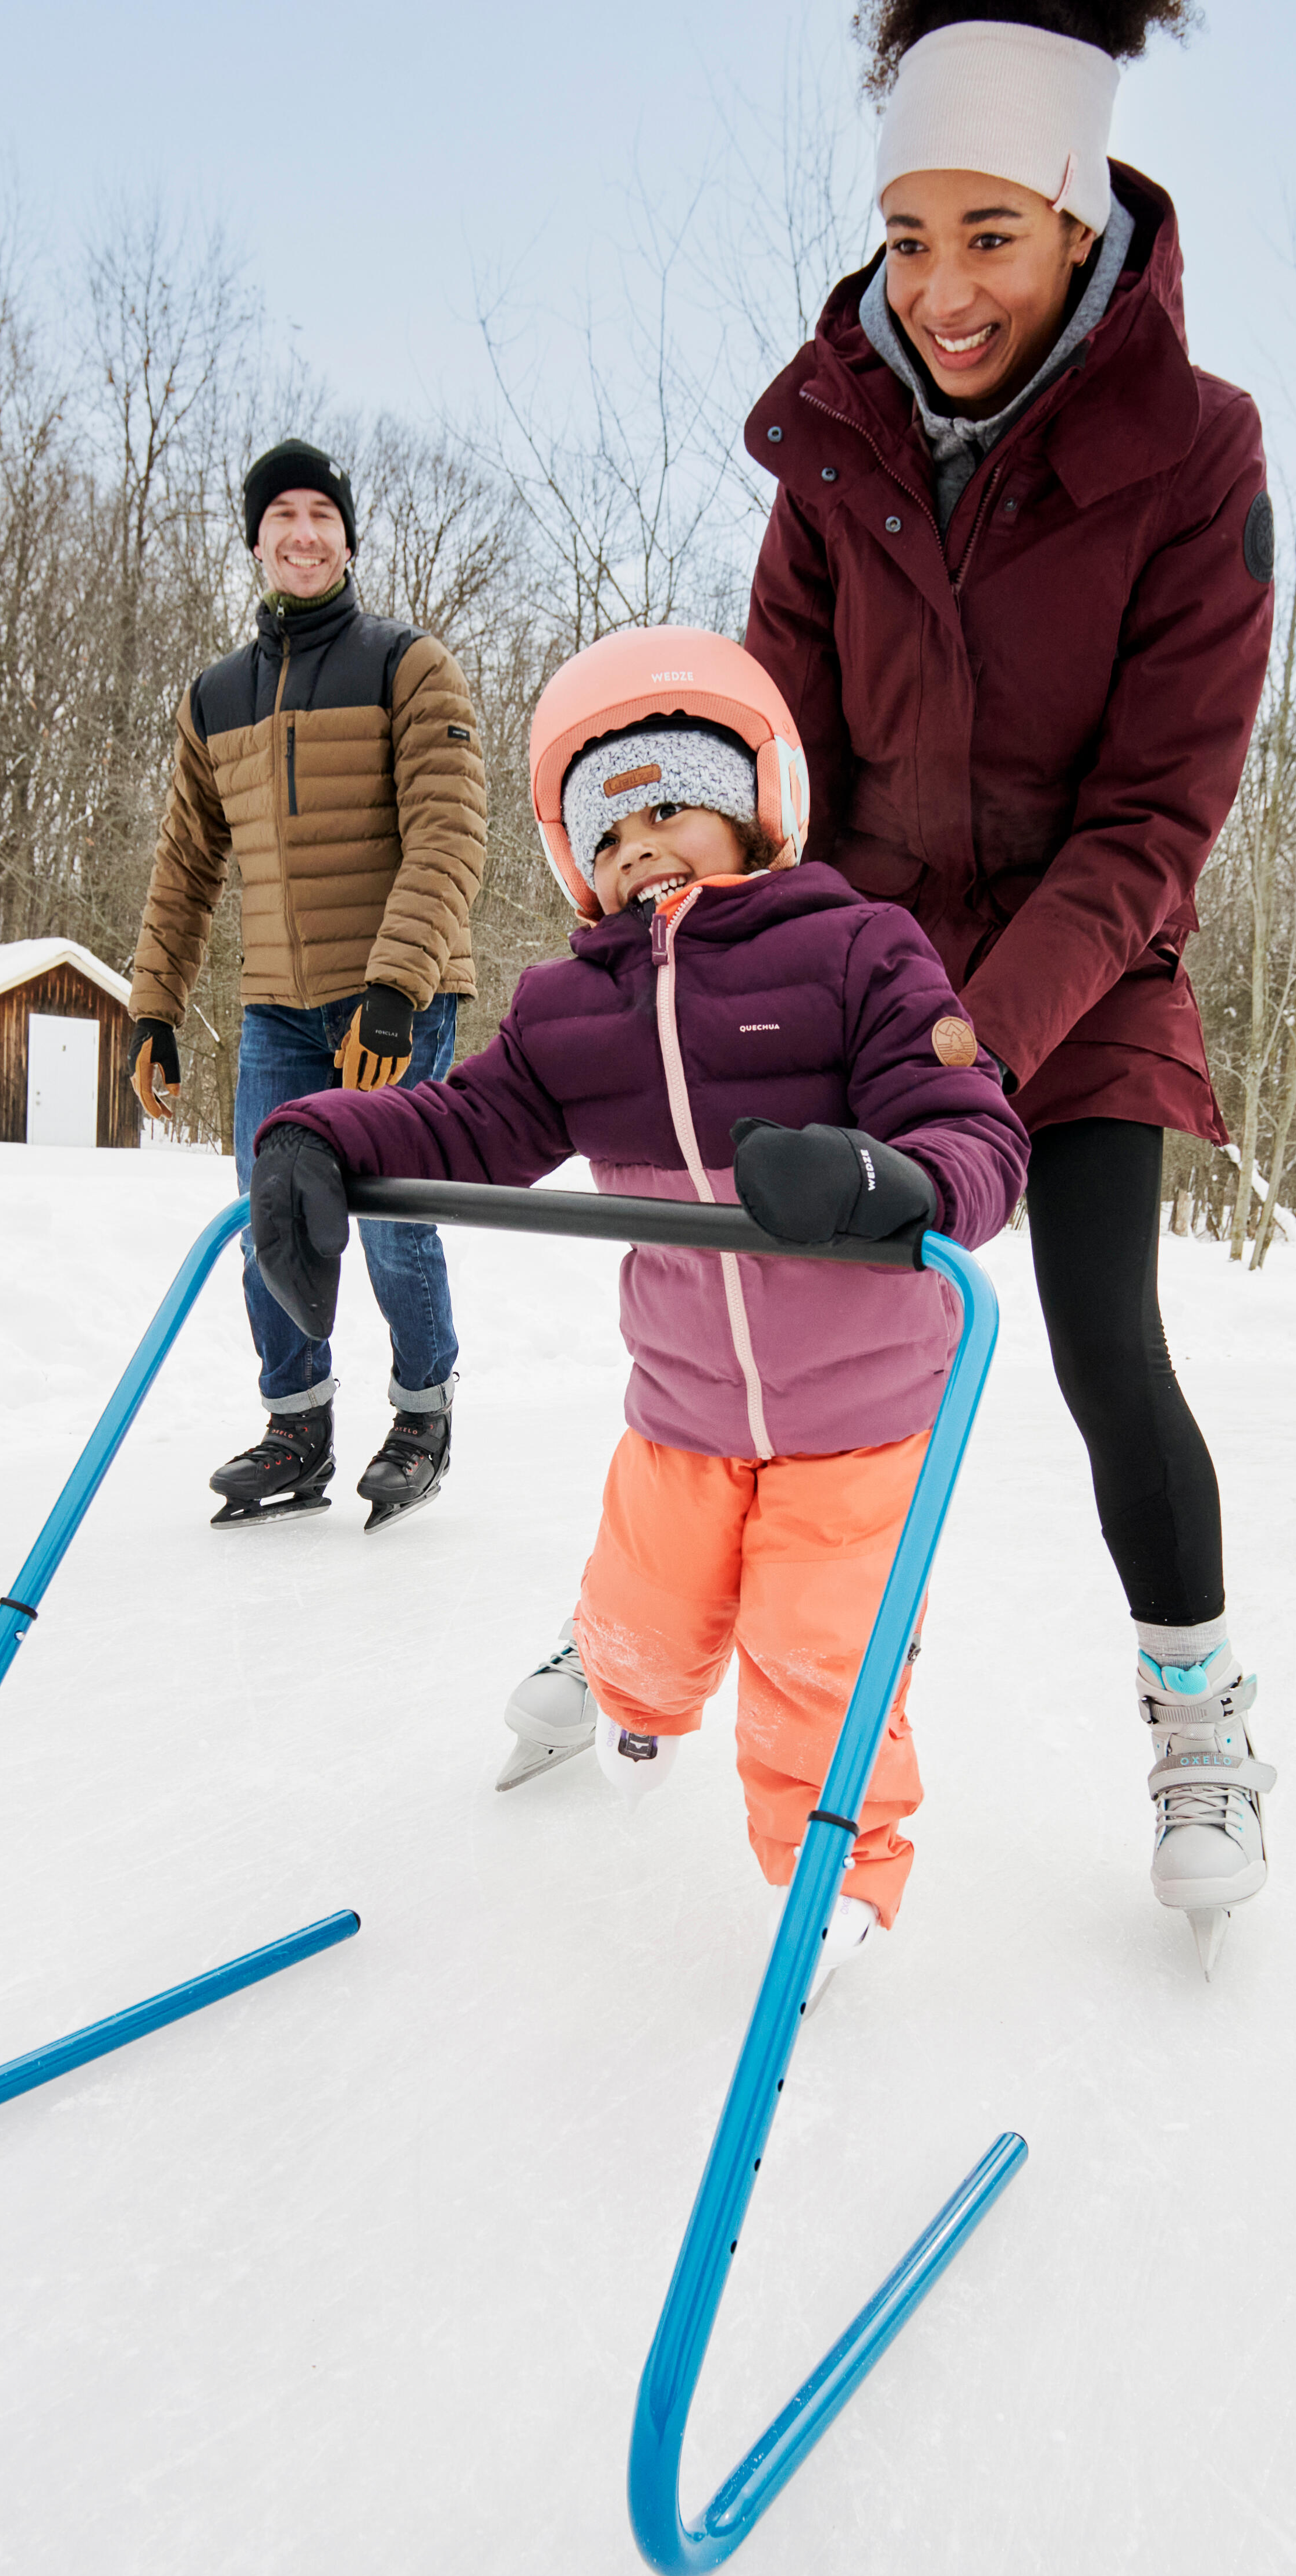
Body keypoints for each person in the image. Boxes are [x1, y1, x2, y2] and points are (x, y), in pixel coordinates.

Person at [732, 0, 1280, 1949]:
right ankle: (647, 1617)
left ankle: (1201, 1719)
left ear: (1076, 220)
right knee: (756, 1288)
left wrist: (984, 1037)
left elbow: (1152, 824)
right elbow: (770, 750)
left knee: (1096, 1341)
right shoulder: (835, 439)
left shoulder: (1195, 458)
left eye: (989, 236)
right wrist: (697, 933)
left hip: (1093, 968)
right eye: (908, 240)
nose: (945, 289)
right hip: (876, 954)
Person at [248, 630, 1027, 1981]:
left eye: (672, 805)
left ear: (749, 811)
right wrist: (320, 1134)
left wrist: (887, 1176)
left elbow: (972, 1124)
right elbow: (465, 1119)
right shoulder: (570, 1006)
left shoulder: (856, 951)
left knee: (819, 1652)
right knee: (643, 1617)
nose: (641, 844)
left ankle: (831, 1875)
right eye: (610, 828)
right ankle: (635, 1708)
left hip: (861, 1414)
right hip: (681, 1406)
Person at [126, 439, 489, 1530]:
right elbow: (185, 866)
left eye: (321, 515)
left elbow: (450, 832)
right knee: (267, 1219)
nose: (302, 533)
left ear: (346, 536)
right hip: (278, 1009)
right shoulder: (214, 698)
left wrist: (396, 982)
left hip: (394, 998)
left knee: (387, 1218)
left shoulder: (407, 665)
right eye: (281, 516)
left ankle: (422, 1412)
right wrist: (153, 1006)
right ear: (255, 542)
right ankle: (297, 1426)